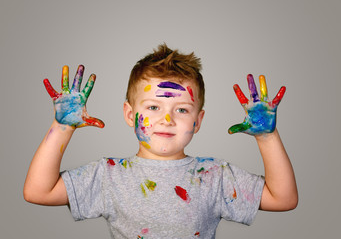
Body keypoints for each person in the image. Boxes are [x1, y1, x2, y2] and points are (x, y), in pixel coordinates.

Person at [24, 44, 298, 238]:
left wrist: (267, 136)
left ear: (198, 120)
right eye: (153, 107)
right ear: (130, 115)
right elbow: (38, 191)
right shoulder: (109, 176)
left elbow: (283, 199)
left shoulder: (215, 176)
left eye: (181, 109)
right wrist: (61, 128)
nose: (167, 119)